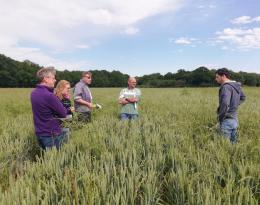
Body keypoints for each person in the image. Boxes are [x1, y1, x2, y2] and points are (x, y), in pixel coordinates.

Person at [31, 67, 68, 150]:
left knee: (47, 160)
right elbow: (63, 113)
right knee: (56, 160)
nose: (55, 80)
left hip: (40, 133)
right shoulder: (49, 95)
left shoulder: (34, 93)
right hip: (51, 134)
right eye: (53, 78)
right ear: (45, 79)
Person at [215, 68, 246, 143]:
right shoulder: (236, 85)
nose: (215, 79)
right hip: (235, 119)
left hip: (227, 119)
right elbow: (243, 97)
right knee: (233, 143)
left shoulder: (226, 87)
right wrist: (234, 105)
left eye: (217, 77)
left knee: (224, 146)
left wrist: (220, 117)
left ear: (223, 76)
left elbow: (225, 103)